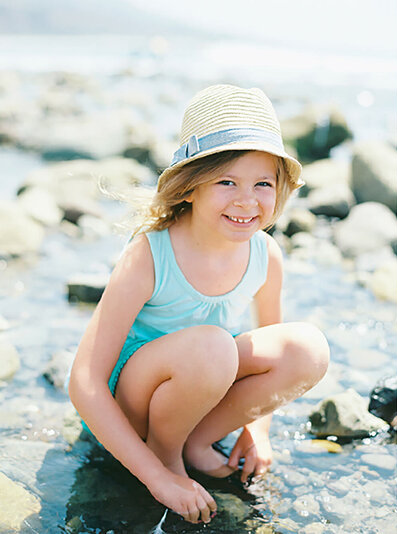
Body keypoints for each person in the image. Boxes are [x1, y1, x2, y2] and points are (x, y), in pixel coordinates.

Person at [68, 84, 330, 525]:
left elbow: (267, 348)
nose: (247, 201)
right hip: (135, 404)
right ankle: (166, 456)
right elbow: (84, 380)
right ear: (189, 187)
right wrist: (157, 477)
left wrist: (256, 430)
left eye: (262, 183)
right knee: (212, 346)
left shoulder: (267, 256)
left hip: (205, 380)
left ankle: (195, 442)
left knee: (307, 348)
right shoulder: (150, 255)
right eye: (227, 181)